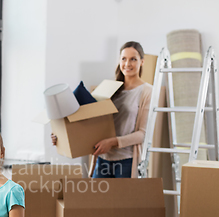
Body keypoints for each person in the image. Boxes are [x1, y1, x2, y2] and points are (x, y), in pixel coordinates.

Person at [51, 41, 152, 178]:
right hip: (102, 159)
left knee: (121, 200)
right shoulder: (109, 88)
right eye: (124, 59)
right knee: (95, 199)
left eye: (133, 59)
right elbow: (89, 121)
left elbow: (143, 134)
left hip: (127, 162)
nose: (127, 64)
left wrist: (112, 142)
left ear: (142, 61)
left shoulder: (147, 91)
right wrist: (61, 135)